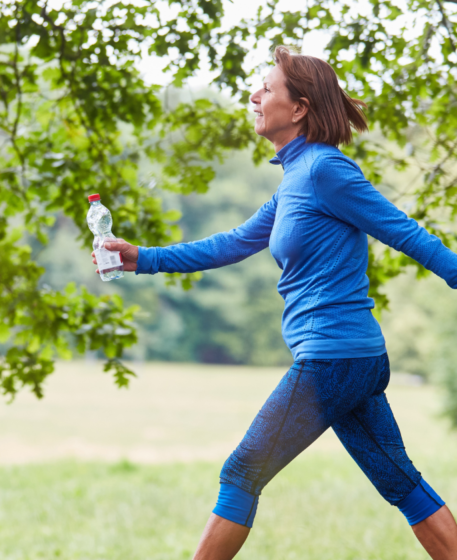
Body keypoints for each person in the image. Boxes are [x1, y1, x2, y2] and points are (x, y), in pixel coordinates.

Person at [93, 46, 457, 559]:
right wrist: (142, 257)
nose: (254, 95)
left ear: (300, 107)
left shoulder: (327, 171)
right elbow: (233, 242)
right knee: (400, 483)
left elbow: (404, 232)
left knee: (241, 472)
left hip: (334, 358)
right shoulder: (296, 179)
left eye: (267, 87)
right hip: (351, 360)